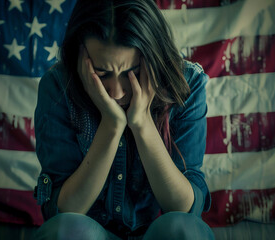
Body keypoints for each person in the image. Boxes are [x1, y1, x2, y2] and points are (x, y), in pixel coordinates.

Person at [33, 0, 214, 239]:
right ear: (79, 55)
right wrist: (111, 125)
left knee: (183, 229)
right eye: (102, 73)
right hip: (88, 233)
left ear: (153, 58)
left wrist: (142, 123)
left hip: (154, 233)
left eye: (133, 72)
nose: (116, 93)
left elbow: (184, 210)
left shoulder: (186, 85)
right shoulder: (58, 87)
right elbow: (64, 213)